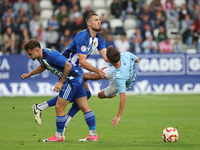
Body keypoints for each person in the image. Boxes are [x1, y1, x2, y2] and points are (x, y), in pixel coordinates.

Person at [31, 13, 108, 133]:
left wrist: (120, 60)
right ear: (89, 23)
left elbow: (107, 58)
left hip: (76, 69)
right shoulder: (83, 36)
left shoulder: (99, 39)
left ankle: (42, 107)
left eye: (99, 20)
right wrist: (98, 71)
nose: (99, 22)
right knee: (71, 99)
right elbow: (82, 62)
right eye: (96, 20)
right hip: (68, 70)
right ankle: (63, 125)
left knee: (85, 95)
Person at [21, 39, 98, 142]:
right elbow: (43, 66)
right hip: (77, 78)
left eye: (30, 54)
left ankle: (58, 136)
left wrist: (61, 82)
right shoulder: (41, 56)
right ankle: (93, 135)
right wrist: (29, 74)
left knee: (59, 107)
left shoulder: (51, 55)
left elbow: (68, 66)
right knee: (84, 106)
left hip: (71, 80)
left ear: (36, 50)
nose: (29, 57)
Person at [83, 45, 139, 126]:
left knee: (100, 95)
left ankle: (114, 93)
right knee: (95, 76)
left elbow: (123, 98)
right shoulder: (125, 54)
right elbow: (137, 59)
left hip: (121, 80)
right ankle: (76, 76)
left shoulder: (120, 79)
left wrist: (118, 116)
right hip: (115, 70)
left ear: (108, 60)